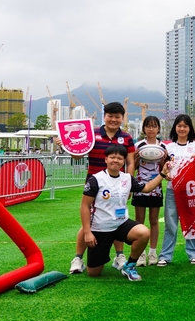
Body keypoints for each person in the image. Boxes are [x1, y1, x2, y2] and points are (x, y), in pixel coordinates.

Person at [58, 102, 135, 275]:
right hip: (95, 186)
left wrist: (129, 185)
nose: (113, 119)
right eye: (110, 116)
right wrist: (65, 145)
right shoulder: (91, 134)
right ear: (104, 116)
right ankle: (78, 258)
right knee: (89, 222)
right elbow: (77, 155)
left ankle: (119, 256)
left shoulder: (127, 137)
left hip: (118, 186)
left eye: (117, 117)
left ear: (122, 118)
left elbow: (130, 162)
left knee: (118, 218)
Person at [81, 144, 171, 281]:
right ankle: (92, 258)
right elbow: (85, 206)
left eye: (119, 158)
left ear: (124, 161)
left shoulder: (127, 178)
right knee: (94, 272)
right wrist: (87, 232)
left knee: (143, 232)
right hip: (102, 227)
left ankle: (129, 265)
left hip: (121, 223)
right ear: (106, 159)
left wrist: (163, 174)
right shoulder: (96, 179)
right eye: (112, 157)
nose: (115, 160)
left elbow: (147, 188)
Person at [158, 114, 195, 266]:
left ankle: (194, 254)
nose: (182, 129)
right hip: (172, 190)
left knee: (191, 222)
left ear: (190, 128)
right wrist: (166, 175)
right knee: (170, 224)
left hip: (191, 191)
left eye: (185, 126)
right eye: (179, 126)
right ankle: (165, 256)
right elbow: (163, 168)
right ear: (175, 128)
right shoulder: (168, 147)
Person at [132, 116, 167, 267]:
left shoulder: (163, 147)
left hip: (156, 188)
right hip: (140, 187)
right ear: (144, 128)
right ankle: (140, 253)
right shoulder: (138, 145)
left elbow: (165, 169)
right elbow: (133, 166)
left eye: (154, 126)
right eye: (148, 126)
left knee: (154, 220)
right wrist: (136, 158)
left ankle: (153, 252)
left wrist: (164, 160)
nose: (151, 129)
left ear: (158, 129)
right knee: (139, 221)